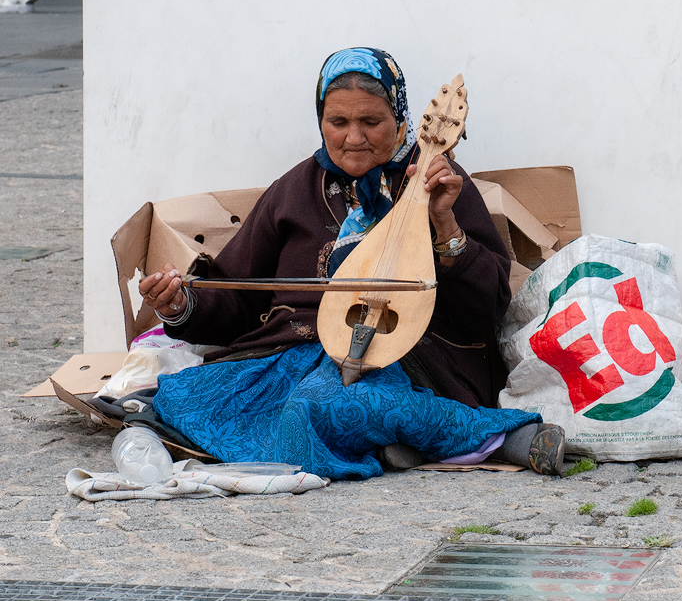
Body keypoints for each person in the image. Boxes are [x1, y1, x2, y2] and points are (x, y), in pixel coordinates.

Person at [139, 47, 564, 480]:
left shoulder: (437, 183)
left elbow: (487, 307)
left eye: (371, 122)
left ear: (401, 119)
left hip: (408, 362)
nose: (353, 138)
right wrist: (178, 306)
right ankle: (390, 441)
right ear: (320, 121)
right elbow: (236, 293)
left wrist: (445, 224)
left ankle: (497, 436)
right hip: (295, 356)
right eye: (338, 122)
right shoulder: (293, 191)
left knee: (321, 407)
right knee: (180, 396)